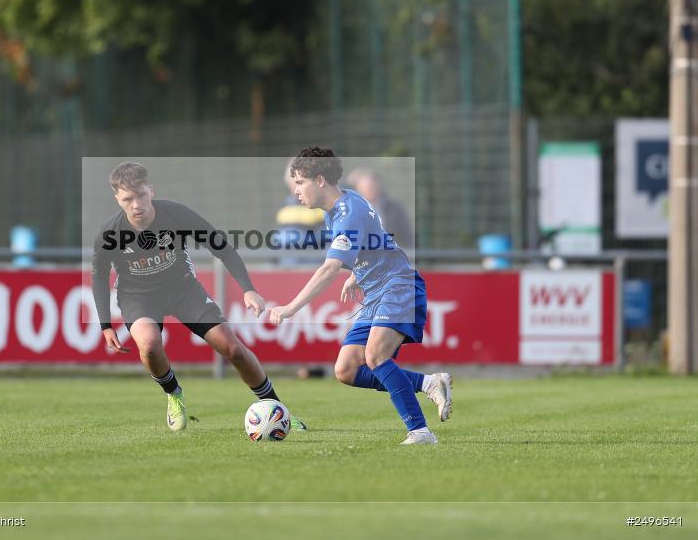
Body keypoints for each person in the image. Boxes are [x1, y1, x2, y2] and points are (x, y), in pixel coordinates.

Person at [92, 162, 307, 432]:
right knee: (148, 346)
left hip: (183, 289)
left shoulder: (176, 215)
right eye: (128, 199)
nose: (137, 204)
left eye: (141, 195)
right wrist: (104, 324)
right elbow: (98, 274)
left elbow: (223, 248)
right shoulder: (110, 233)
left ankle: (279, 411)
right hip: (138, 297)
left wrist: (248, 289)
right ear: (117, 200)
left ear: (151, 190)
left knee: (234, 350)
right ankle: (174, 394)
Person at [268, 147, 451, 445]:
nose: (297, 191)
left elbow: (328, 269)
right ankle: (430, 382)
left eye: (300, 182)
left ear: (321, 180)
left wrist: (290, 307)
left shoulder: (347, 213)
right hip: (377, 289)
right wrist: (357, 273)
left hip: (397, 286)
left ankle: (420, 432)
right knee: (346, 369)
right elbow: (374, 239)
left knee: (376, 356)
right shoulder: (344, 203)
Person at [346, 167, 414, 251]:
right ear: (358, 190)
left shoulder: (394, 209)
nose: (369, 191)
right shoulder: (348, 210)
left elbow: (407, 237)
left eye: (372, 187)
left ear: (379, 187)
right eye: (366, 188)